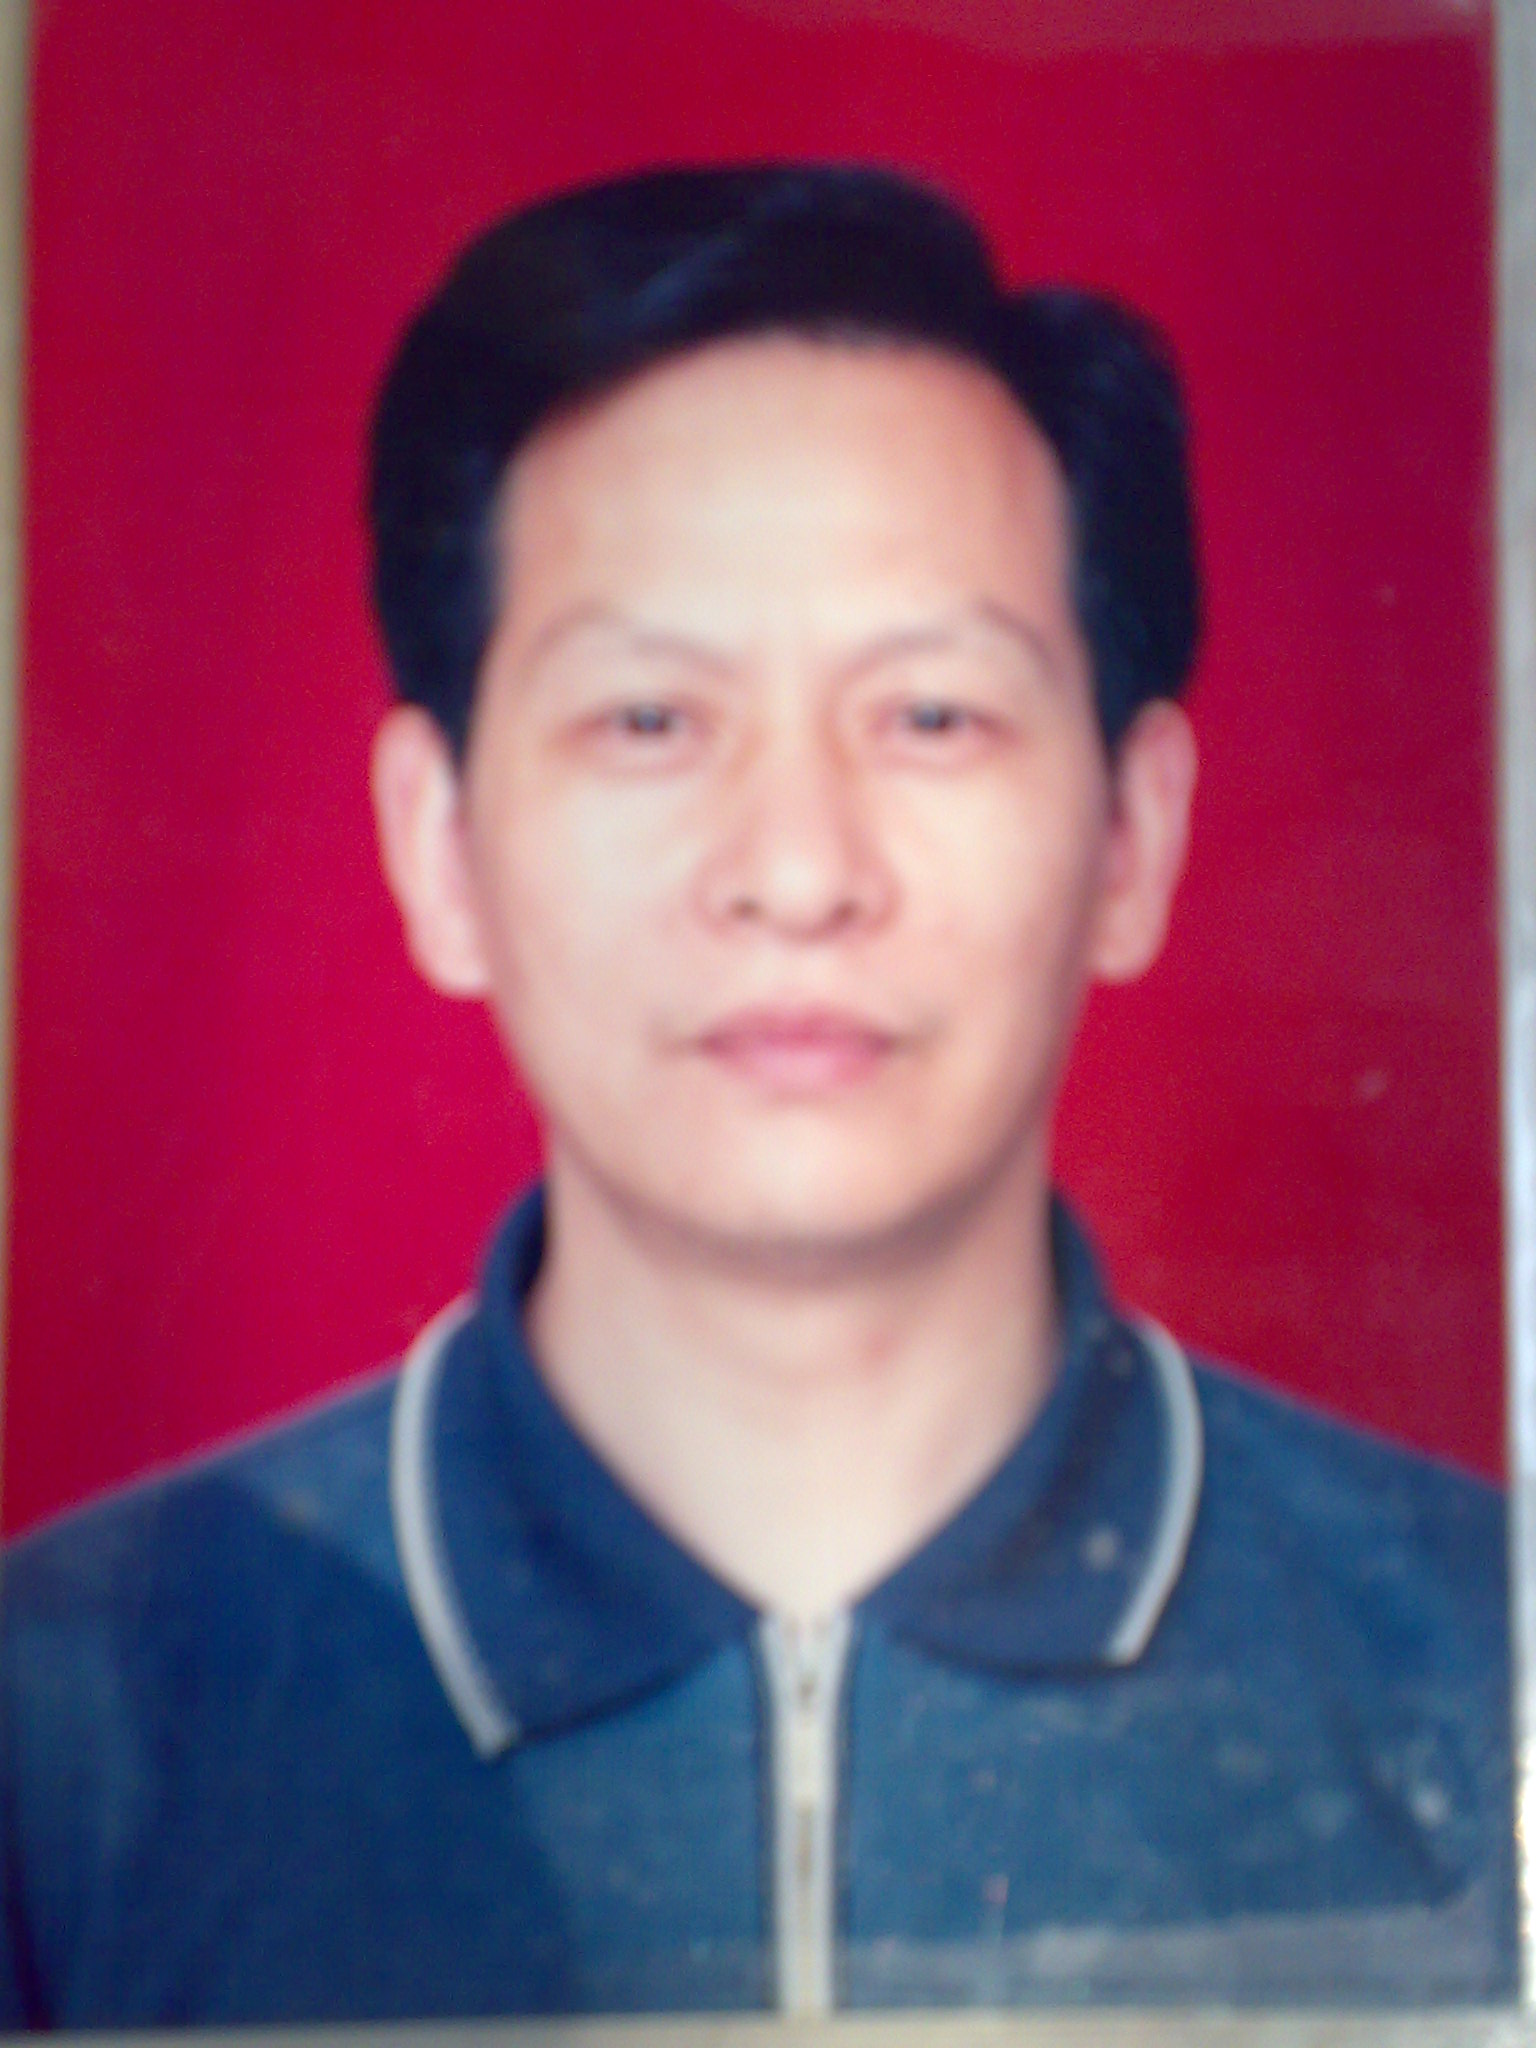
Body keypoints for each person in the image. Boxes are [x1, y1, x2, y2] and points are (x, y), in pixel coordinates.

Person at [0, 163, 1514, 2026]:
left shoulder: (1483, 1666)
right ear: (437, 843)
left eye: (932, 715)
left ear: (1134, 833)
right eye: (650, 719)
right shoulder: (60, 1730)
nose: (798, 872)